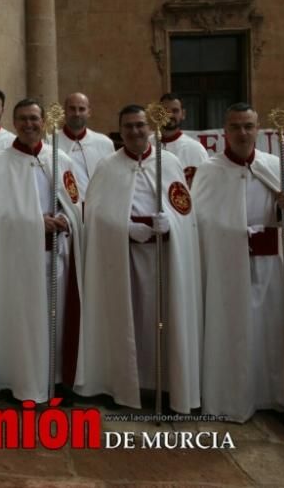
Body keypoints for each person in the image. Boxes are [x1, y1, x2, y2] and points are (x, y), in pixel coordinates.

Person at [194, 102, 284, 423]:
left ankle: (275, 396)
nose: (242, 133)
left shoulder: (273, 166)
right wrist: (235, 234)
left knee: (271, 332)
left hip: (270, 269)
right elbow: (200, 224)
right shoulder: (210, 171)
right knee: (235, 332)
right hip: (228, 269)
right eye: (236, 127)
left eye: (248, 126)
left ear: (258, 130)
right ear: (225, 132)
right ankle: (234, 398)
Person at [77, 105, 201, 413]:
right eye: (128, 126)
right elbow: (93, 212)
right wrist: (126, 227)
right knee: (127, 320)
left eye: (140, 125)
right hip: (124, 256)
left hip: (162, 256)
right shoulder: (108, 166)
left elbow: (186, 212)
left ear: (150, 128)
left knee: (163, 319)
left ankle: (167, 384)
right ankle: (123, 384)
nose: (135, 131)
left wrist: (171, 223)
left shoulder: (168, 163)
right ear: (120, 130)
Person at [0, 99, 84, 402]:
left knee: (56, 318)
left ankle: (55, 379)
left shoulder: (60, 159)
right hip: (20, 260)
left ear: (43, 122)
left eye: (34, 119)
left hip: (58, 255)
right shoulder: (1, 163)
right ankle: (24, 381)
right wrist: (36, 222)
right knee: (26, 321)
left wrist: (68, 218)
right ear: (14, 123)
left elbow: (76, 202)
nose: (29, 124)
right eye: (23, 119)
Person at [56, 93, 115, 201]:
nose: (77, 113)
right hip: (65, 211)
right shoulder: (50, 142)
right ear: (64, 111)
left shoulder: (105, 143)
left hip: (97, 209)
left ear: (89, 112)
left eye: (82, 109)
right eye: (72, 109)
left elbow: (111, 181)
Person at [155, 93, 209, 187]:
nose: (170, 115)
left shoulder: (196, 150)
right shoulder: (146, 146)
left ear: (183, 114)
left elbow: (205, 187)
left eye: (175, 111)